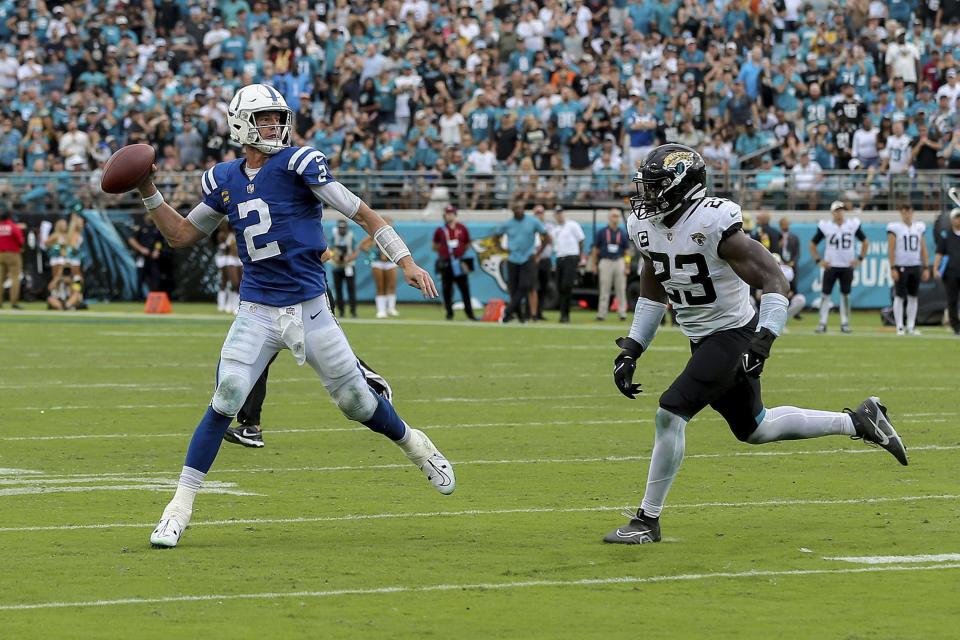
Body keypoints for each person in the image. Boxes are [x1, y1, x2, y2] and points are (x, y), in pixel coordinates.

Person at [137, 83, 454, 549]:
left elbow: (363, 215)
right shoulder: (222, 177)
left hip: (308, 306)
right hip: (256, 308)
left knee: (357, 405)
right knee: (226, 396)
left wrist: (405, 260)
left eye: (277, 117)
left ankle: (414, 444)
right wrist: (148, 190)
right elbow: (183, 235)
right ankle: (177, 508)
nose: (275, 125)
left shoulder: (300, 163)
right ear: (243, 123)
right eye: (265, 118)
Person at [604, 144, 908, 546]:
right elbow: (653, 289)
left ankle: (647, 519)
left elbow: (774, 279)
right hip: (704, 338)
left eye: (657, 186)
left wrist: (763, 339)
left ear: (683, 187)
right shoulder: (645, 226)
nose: (647, 195)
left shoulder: (714, 222)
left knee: (670, 412)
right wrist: (633, 348)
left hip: (733, 334)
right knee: (756, 428)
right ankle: (858, 421)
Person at [808, 201, 868, 334]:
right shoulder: (826, 226)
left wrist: (860, 258)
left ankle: (845, 323)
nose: (839, 212)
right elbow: (812, 244)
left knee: (845, 295)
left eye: (841, 210)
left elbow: (865, 241)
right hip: (831, 266)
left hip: (847, 266)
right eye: (837, 210)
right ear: (832, 212)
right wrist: (819, 260)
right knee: (825, 295)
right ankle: (822, 323)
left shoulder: (852, 225)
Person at [494, 201, 550, 324]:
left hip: (528, 258)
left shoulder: (533, 221)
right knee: (513, 289)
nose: (519, 210)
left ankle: (508, 311)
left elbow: (546, 236)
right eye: (516, 208)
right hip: (513, 258)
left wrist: (538, 253)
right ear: (512, 210)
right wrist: (501, 249)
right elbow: (496, 235)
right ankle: (520, 317)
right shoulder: (508, 224)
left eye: (520, 208)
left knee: (525, 285)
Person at [887, 205, 930, 336]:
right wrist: (892, 267)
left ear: (913, 212)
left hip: (915, 265)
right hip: (901, 266)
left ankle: (910, 326)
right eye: (905, 212)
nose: (908, 214)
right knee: (899, 296)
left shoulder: (919, 227)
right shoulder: (895, 228)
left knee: (913, 297)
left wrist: (926, 266)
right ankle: (899, 326)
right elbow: (891, 249)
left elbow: (923, 247)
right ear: (901, 213)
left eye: (910, 212)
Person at [432, 205, 476, 321]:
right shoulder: (440, 230)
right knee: (447, 289)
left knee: (465, 289)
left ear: (455, 214)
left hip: (460, 262)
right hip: (446, 263)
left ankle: (469, 313)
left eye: (451, 213)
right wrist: (444, 253)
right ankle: (449, 313)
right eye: (447, 213)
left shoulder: (462, 228)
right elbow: (434, 245)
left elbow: (467, 243)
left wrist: (459, 252)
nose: (449, 216)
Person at [590, 209, 629, 321]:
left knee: (621, 289)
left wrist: (626, 266)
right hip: (605, 261)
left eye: (617, 216)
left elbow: (627, 251)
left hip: (619, 261)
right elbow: (595, 249)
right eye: (613, 216)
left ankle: (622, 313)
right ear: (609, 217)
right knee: (604, 289)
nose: (615, 218)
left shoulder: (622, 233)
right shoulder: (602, 232)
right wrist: (594, 264)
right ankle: (601, 314)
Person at [359, 215, 400, 318]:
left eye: (389, 222)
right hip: (378, 263)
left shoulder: (394, 235)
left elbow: (401, 247)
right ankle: (381, 310)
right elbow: (363, 246)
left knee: (391, 285)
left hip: (390, 263)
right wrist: (373, 253)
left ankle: (391, 308)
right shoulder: (375, 234)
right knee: (380, 286)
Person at [551, 205, 585, 323]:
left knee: (566, 285)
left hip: (571, 257)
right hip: (560, 258)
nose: (559, 215)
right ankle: (562, 313)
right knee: (560, 287)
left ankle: (566, 314)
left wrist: (579, 256)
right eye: (557, 213)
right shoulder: (555, 229)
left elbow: (581, 240)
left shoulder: (572, 225)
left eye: (560, 213)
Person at [934, 208, 960, 336]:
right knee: (952, 300)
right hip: (950, 274)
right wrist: (935, 268)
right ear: (952, 219)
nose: (959, 220)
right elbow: (939, 253)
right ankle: (956, 326)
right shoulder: (946, 236)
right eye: (957, 217)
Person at [129, 215, 168, 301]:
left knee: (155, 277)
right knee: (140, 278)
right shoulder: (140, 227)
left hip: (153, 257)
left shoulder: (157, 228)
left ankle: (155, 297)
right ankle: (138, 297)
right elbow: (131, 240)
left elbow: (159, 242)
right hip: (142, 257)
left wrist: (157, 251)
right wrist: (141, 249)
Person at [330, 219, 359, 318]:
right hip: (337, 267)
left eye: (343, 228)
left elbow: (356, 251)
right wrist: (335, 257)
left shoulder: (351, 236)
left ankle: (353, 311)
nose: (341, 230)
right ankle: (341, 311)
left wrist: (349, 258)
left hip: (348, 266)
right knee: (338, 290)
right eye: (340, 228)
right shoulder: (334, 235)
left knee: (351, 289)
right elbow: (330, 249)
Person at [0, 209, 24, 309]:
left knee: (0, 279)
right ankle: (13, 302)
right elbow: (21, 240)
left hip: (0, 254)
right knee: (14, 278)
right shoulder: (13, 226)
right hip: (13, 254)